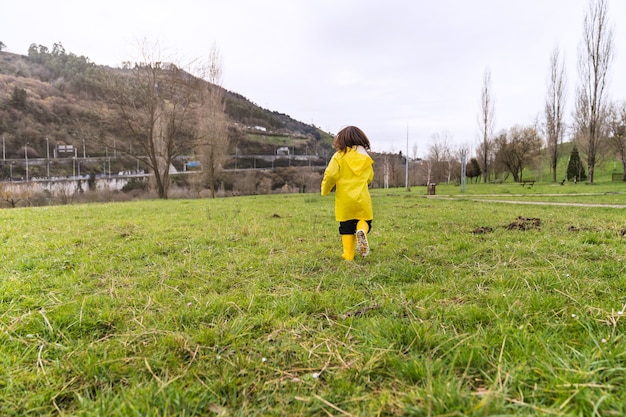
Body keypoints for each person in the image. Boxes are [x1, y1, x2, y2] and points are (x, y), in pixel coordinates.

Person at [321, 126, 374, 261]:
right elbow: (370, 177)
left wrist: (325, 189)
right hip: (362, 198)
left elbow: (331, 174)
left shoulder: (338, 156)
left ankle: (348, 255)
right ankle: (361, 230)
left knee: (346, 226)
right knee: (365, 220)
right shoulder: (365, 158)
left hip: (344, 200)